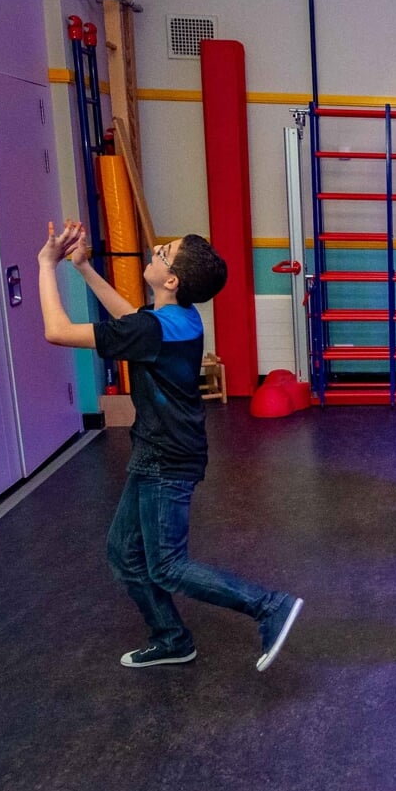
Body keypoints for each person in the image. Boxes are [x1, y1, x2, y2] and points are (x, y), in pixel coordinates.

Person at [36, 223, 303, 671]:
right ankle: (172, 638)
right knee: (124, 552)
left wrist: (48, 264)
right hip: (159, 451)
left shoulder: (155, 327)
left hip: (167, 458)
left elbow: (57, 331)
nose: (156, 251)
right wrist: (82, 267)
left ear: (172, 280)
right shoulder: (179, 319)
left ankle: (269, 605)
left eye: (165, 252)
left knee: (167, 566)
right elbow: (132, 324)